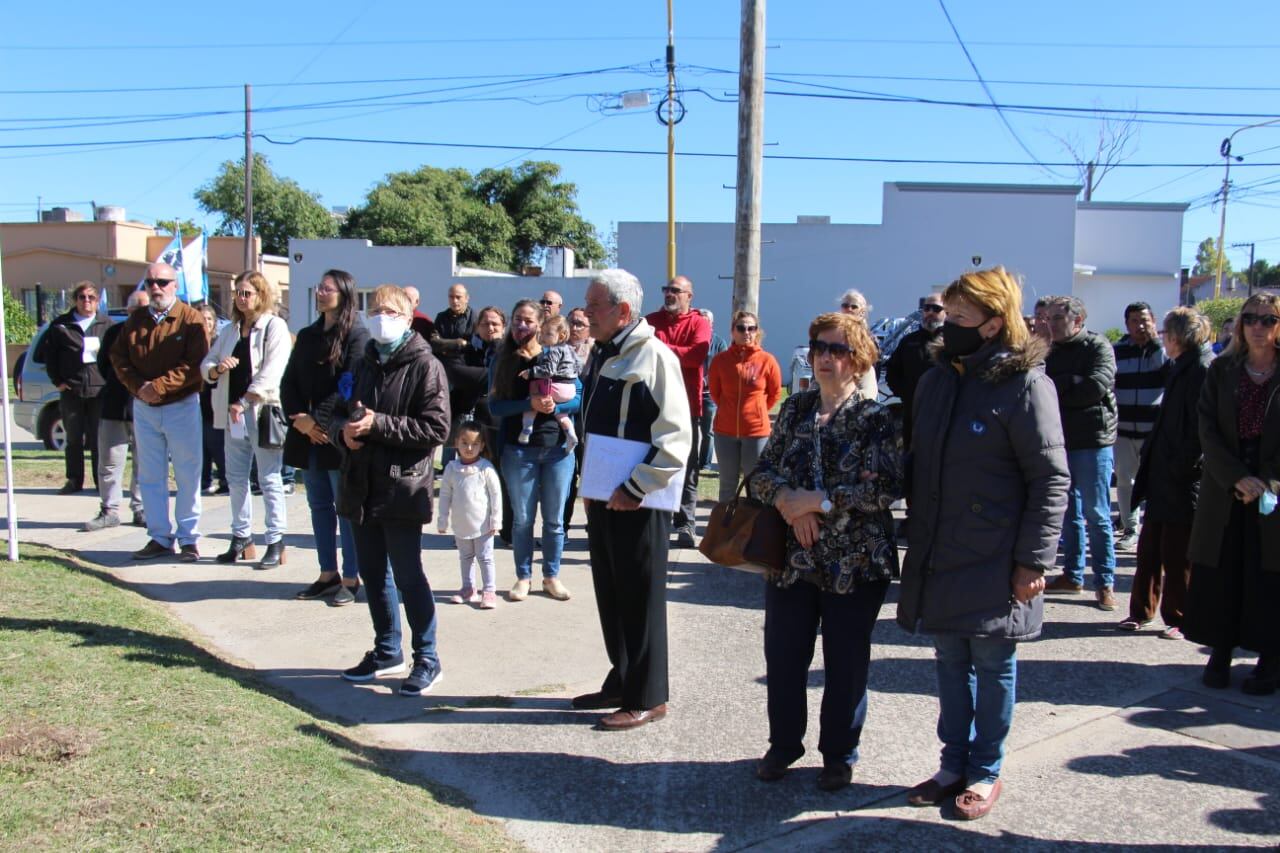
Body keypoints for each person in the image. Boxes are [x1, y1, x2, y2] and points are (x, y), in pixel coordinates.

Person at [897, 266, 1070, 820]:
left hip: (998, 557)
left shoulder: (1026, 385)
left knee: (993, 663)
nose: (947, 328)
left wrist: (1033, 561)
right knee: (949, 659)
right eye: (946, 317)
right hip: (941, 550)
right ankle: (952, 764)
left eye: (962, 319)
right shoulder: (936, 379)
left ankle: (985, 770)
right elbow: (917, 463)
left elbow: (1051, 478)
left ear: (994, 325)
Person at [748, 311, 903, 791]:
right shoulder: (796, 409)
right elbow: (761, 474)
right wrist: (790, 505)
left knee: (845, 662)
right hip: (792, 560)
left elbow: (885, 489)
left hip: (855, 563)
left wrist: (818, 501)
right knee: (785, 655)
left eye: (837, 350)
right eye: (818, 347)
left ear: (858, 360)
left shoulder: (879, 417)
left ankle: (838, 754)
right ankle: (783, 745)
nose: (825, 358)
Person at [573, 269, 691, 730]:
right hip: (605, 495)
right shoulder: (605, 353)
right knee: (611, 590)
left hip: (639, 500)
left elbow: (677, 436)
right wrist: (592, 487)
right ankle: (622, 678)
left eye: (594, 305)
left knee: (640, 595)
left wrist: (637, 487)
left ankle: (648, 695)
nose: (584, 313)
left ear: (623, 310)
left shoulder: (654, 356)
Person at [331, 284, 451, 696]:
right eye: (375, 308)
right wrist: (342, 433)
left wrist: (378, 424)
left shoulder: (425, 365)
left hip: (402, 485)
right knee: (371, 571)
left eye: (389, 310)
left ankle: (427, 657)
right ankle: (387, 650)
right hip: (361, 485)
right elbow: (341, 412)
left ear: (406, 317)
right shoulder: (365, 361)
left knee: (407, 574)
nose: (380, 315)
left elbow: (436, 428)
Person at [1185, 292, 1280, 696]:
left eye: (1268, 319)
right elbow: (1206, 427)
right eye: (1250, 319)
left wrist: (1266, 480)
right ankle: (1219, 651)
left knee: (1267, 573)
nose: (1258, 326)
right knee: (1222, 569)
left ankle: (1270, 659)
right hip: (1226, 484)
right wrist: (1236, 477)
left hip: (1272, 487)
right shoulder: (1222, 369)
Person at [1121, 307, 1212, 639]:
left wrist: (1182, 466)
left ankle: (1179, 617)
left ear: (1178, 337)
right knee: (1148, 549)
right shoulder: (1178, 366)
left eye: (1166, 335)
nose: (1163, 340)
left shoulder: (1201, 369)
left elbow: (1202, 430)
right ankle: (1140, 612)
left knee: (1177, 554)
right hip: (1161, 470)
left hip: (1183, 476)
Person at [110, 262, 209, 562]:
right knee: (149, 475)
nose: (156, 287)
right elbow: (119, 357)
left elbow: (196, 365)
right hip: (144, 406)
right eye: (151, 281)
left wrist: (160, 386)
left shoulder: (190, 318)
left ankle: (189, 538)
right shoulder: (136, 319)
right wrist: (139, 387)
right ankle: (159, 537)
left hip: (181, 405)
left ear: (175, 285)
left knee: (187, 474)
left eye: (163, 282)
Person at [283, 269, 371, 605]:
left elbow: (348, 386)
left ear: (345, 294)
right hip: (308, 434)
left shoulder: (356, 336)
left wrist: (321, 423)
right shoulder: (306, 335)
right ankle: (327, 573)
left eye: (328, 289)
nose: (320, 292)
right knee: (318, 506)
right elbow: (288, 381)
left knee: (344, 507)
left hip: (338, 434)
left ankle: (351, 576)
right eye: (319, 287)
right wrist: (300, 421)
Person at [488, 298, 581, 601]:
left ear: (541, 324)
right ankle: (523, 577)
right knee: (523, 519)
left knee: (554, 521)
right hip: (519, 450)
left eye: (528, 320)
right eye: (517, 319)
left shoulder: (558, 354)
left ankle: (551, 576)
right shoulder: (503, 358)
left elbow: (579, 396)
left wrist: (557, 404)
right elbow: (495, 406)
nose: (521, 325)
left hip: (557, 450)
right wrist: (529, 404)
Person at [202, 271, 293, 569]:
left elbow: (273, 371)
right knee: (235, 478)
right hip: (232, 415)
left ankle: (275, 539)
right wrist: (216, 370)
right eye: (238, 293)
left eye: (247, 293)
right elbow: (208, 362)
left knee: (268, 479)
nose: (241, 299)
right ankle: (241, 536)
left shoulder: (273, 326)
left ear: (260, 295)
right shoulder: (229, 330)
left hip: (261, 411)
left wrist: (245, 401)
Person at [1044, 295, 1119, 610]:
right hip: (1061, 439)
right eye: (1048, 318)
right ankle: (1072, 575)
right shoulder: (1049, 350)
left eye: (1057, 319)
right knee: (1067, 512)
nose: (1050, 324)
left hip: (1092, 440)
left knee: (1096, 513)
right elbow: (1041, 387)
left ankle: (1105, 582)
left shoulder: (1098, 347)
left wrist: (1060, 387)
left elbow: (1094, 388)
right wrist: (1067, 383)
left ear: (1078, 319)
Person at [646, 274, 711, 548]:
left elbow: (696, 355)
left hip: (687, 408)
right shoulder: (649, 321)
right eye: (667, 289)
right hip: (651, 406)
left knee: (688, 468)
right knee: (654, 465)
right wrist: (672, 351)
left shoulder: (700, 323)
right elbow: (642, 353)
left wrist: (659, 348)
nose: (669, 294)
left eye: (676, 290)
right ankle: (655, 522)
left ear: (689, 296)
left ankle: (685, 524)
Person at [34, 281, 111, 495]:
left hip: (99, 390)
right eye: (82, 297)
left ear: (97, 301)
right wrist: (58, 381)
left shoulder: (107, 324)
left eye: (91, 297)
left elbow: (114, 357)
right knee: (74, 438)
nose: (87, 301)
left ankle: (100, 482)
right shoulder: (61, 325)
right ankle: (74, 480)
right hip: (72, 390)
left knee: (98, 439)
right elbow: (50, 357)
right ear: (75, 300)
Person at [83, 289, 148, 531]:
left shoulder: (155, 335)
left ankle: (140, 508)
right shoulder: (113, 333)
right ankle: (109, 510)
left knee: (144, 462)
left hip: (144, 407)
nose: (137, 313)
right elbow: (102, 365)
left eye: (142, 308)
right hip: (113, 406)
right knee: (109, 462)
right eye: (133, 309)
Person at [708, 311, 782, 504]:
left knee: (756, 485)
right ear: (733, 331)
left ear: (757, 332)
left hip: (756, 432)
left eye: (751, 328)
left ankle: (753, 530)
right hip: (725, 432)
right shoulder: (720, 361)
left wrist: (757, 411)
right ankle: (725, 530)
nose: (746, 332)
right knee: (727, 485)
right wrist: (728, 410)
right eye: (741, 328)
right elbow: (716, 393)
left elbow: (775, 393)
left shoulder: (767, 360)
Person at [1112, 302, 1167, 552]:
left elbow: (1171, 374)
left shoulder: (1162, 350)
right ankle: (1130, 527)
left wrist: (1155, 345)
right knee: (1125, 481)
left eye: (1145, 320)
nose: (1140, 325)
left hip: (1153, 432)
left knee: (1157, 482)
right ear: (1127, 324)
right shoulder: (1117, 351)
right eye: (1134, 321)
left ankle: (1154, 529)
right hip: (1123, 430)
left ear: (1153, 321)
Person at [437, 421, 503, 610]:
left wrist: (496, 519)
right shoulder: (451, 468)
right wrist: (443, 519)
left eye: (474, 444)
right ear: (456, 442)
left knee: (485, 557)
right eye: (464, 442)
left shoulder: (486, 468)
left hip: (483, 525)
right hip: (461, 524)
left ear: (482, 445)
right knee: (465, 557)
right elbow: (444, 495)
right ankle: (468, 588)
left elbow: (496, 495)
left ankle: (489, 590)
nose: (469, 448)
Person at [470, 306, 513, 544]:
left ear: (503, 326)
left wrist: (480, 378)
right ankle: (474, 529)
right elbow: (455, 372)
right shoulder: (470, 348)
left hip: (498, 421)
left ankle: (505, 530)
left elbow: (499, 379)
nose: (490, 328)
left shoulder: (506, 350)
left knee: (501, 478)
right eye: (485, 323)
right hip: (474, 422)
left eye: (495, 323)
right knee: (475, 478)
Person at [886, 294, 946, 452]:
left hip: (943, 414)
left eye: (936, 308)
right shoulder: (909, 341)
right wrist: (904, 392)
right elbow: (892, 370)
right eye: (927, 308)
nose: (930, 312)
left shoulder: (952, 341)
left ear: (946, 312)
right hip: (912, 413)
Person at [517, 314, 580, 452]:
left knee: (533, 399)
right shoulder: (570, 349)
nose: (544, 337)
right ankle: (571, 434)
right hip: (570, 388)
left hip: (556, 386)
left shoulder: (554, 350)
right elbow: (578, 365)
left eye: (548, 334)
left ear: (562, 336)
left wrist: (531, 372)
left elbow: (549, 370)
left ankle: (527, 428)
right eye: (543, 333)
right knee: (561, 413)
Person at [196, 304, 229, 497]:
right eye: (201, 318)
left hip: (214, 400)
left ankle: (225, 480)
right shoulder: (191, 343)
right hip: (194, 401)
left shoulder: (219, 343)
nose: (205, 323)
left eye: (209, 319)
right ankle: (203, 481)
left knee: (217, 443)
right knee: (200, 446)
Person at [698, 309, 728, 470]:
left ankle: (705, 463)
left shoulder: (719, 343)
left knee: (707, 431)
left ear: (712, 324)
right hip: (690, 393)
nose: (702, 323)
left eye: (705, 321)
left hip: (709, 395)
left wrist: (706, 380)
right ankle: (688, 462)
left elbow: (722, 367)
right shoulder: (692, 339)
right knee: (688, 431)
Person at [837, 288, 880, 399]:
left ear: (862, 311)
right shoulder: (831, 334)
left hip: (859, 391)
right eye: (845, 306)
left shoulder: (869, 339)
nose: (849, 309)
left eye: (854, 306)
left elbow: (874, 369)